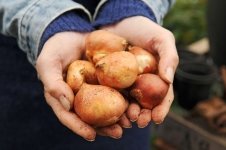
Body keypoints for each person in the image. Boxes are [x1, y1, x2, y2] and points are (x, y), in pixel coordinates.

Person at [0, 0, 179, 149]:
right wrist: (48, 20)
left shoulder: (114, 65)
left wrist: (130, 7)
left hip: (125, 113)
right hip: (22, 61)